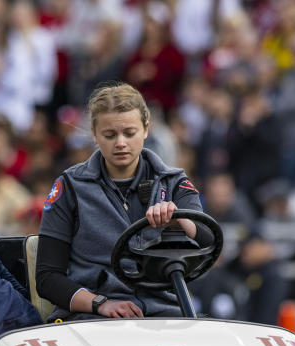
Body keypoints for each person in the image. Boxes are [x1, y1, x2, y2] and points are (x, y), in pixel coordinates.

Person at [36, 82, 205, 321]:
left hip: (164, 313)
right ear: (94, 134)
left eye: (129, 132)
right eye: (109, 135)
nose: (120, 143)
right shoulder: (69, 187)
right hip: (93, 317)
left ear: (146, 129)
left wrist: (179, 220)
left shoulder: (174, 181)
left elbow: (208, 239)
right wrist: (101, 304)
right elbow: (47, 278)